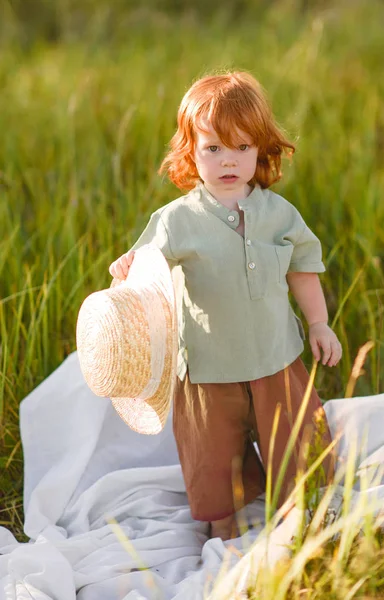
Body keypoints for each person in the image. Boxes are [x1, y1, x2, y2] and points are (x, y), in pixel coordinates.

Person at [109, 71, 342, 541]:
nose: (229, 161)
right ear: (191, 152)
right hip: (208, 365)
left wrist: (318, 323)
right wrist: (129, 267)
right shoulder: (176, 220)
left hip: (274, 355)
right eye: (213, 148)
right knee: (213, 452)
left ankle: (300, 509)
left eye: (241, 148)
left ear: (261, 150)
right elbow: (147, 272)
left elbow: (301, 267)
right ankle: (224, 522)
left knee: (295, 437)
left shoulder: (279, 214)